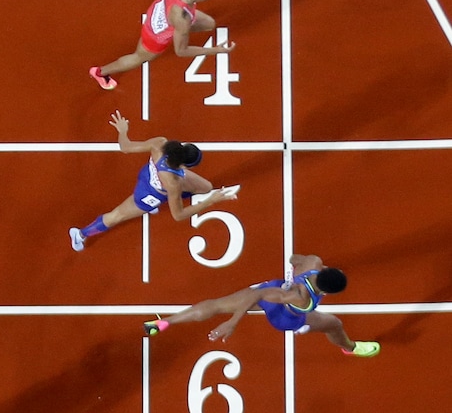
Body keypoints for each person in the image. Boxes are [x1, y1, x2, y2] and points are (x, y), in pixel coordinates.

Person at [143, 253, 381, 357]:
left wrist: (294, 272)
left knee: (215, 304)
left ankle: (164, 322)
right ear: (328, 291)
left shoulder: (313, 262)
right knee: (334, 324)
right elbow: (259, 296)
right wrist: (233, 322)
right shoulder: (302, 297)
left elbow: (293, 259)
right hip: (284, 315)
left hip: (277, 288)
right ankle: (349, 348)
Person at [69, 110, 239, 251]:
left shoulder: (160, 144)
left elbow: (125, 147)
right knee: (116, 216)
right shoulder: (174, 183)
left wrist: (122, 131)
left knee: (205, 187)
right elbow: (178, 215)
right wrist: (210, 202)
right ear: (182, 164)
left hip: (150, 173)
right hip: (149, 194)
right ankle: (81, 234)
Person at [89, 0, 235, 90]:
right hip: (155, 35)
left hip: (162, 11)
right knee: (138, 57)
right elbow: (181, 51)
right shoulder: (182, 19)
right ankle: (100, 72)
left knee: (209, 23)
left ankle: (177, 32)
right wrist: (214, 50)